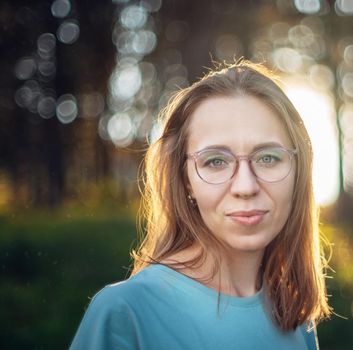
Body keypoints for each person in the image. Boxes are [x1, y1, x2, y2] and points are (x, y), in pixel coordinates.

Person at [70, 60, 331, 349]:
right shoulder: (126, 313)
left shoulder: (295, 318)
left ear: (299, 171)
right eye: (215, 161)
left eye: (268, 158)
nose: (246, 187)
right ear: (185, 181)